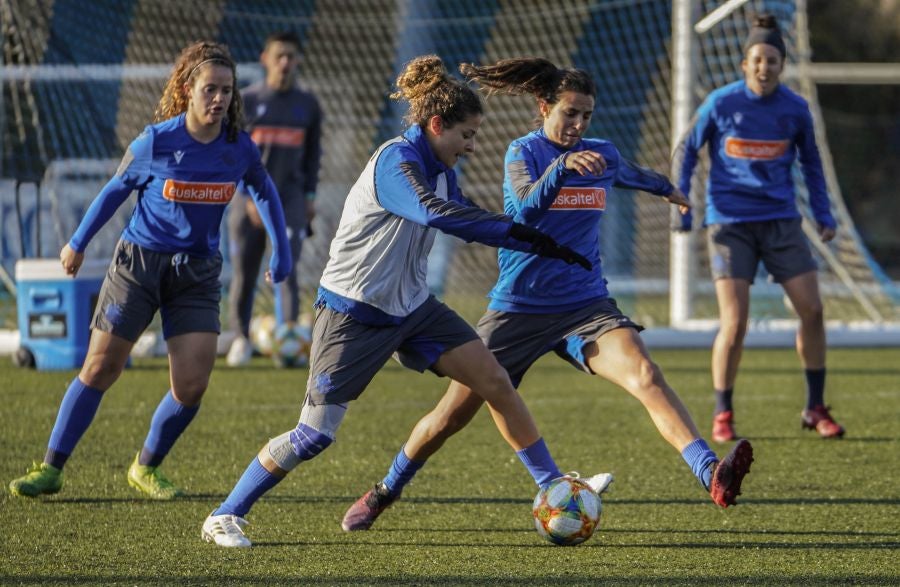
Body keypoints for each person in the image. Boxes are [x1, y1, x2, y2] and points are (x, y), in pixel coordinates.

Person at [339, 57, 755, 533]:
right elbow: (524, 213)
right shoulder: (523, 152)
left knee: (645, 372)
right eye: (569, 113)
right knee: (448, 419)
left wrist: (673, 192)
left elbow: (638, 176)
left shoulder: (602, 155)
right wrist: (559, 169)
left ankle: (710, 473)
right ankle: (384, 491)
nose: (578, 124)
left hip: (585, 305)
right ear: (544, 108)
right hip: (517, 308)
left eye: (586, 115)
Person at [201, 55, 595, 548]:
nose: (472, 147)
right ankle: (225, 513)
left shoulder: (443, 170)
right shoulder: (396, 161)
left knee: (495, 379)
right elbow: (436, 215)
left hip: (413, 310)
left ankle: (553, 488)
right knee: (314, 435)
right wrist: (518, 234)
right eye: (467, 136)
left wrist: (532, 240)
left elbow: (467, 213)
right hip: (353, 314)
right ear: (436, 125)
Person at [8, 41, 293, 500]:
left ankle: (146, 467)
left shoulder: (238, 146)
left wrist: (281, 250)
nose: (219, 99)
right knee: (100, 368)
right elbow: (113, 191)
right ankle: (51, 467)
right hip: (138, 265)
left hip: (197, 274)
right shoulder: (156, 140)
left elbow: (264, 190)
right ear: (187, 89)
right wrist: (77, 243)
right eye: (210, 90)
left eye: (226, 90)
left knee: (192, 385)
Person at [673, 15, 844, 442]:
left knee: (814, 311)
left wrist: (823, 213)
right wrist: (682, 203)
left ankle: (815, 406)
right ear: (744, 64)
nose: (764, 67)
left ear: (782, 65)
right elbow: (685, 151)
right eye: (757, 60)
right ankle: (723, 411)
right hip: (730, 224)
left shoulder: (795, 109)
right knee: (735, 322)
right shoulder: (720, 103)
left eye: (772, 60)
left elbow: (812, 164)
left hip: (782, 222)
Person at [226, 30, 323, 367]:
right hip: (247, 200)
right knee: (245, 271)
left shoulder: (308, 105)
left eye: (291, 56)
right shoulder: (247, 101)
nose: (286, 62)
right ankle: (239, 337)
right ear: (265, 58)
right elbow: (232, 155)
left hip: (292, 200)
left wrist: (310, 195)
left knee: (288, 269)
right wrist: (245, 196)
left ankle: (288, 340)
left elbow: (313, 156)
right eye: (279, 55)